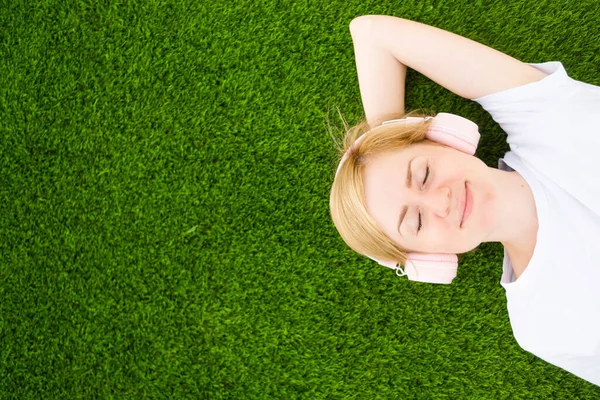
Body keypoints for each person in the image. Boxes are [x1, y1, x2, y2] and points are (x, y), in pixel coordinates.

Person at [329, 15, 600, 386]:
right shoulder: (541, 323)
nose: (441, 202)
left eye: (422, 173)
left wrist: (385, 142)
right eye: (416, 222)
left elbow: (373, 33)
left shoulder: (546, 118)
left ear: (444, 138)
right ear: (427, 260)